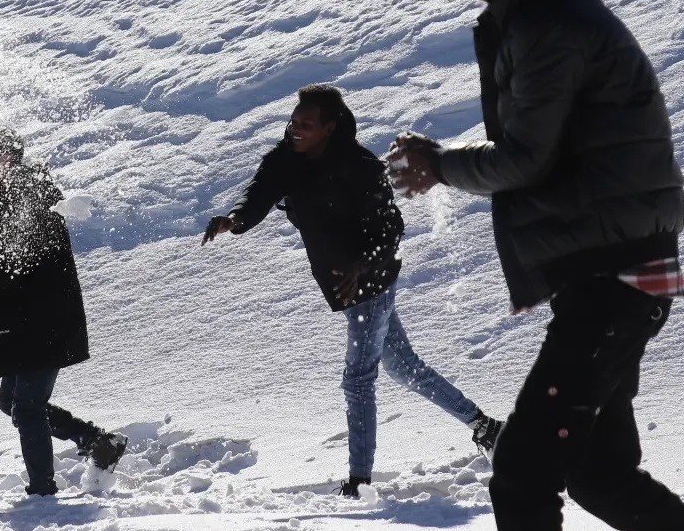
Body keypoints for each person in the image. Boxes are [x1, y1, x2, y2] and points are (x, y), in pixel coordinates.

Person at [388, 0, 684, 531]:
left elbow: (523, 159)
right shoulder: (557, 19)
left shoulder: (551, 28)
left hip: (614, 279)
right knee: (600, 472)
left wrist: (439, 164)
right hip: (616, 276)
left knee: (520, 470)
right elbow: (538, 151)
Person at [203, 84, 501, 498]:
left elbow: (390, 228)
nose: (295, 128)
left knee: (358, 380)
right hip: (342, 284)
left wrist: (362, 265)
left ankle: (359, 482)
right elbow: (259, 193)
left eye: (307, 123)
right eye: (294, 120)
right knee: (404, 368)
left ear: (330, 127)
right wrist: (233, 219)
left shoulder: (359, 167)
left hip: (371, 282)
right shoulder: (285, 160)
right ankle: (486, 428)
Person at [0, 126, 126, 496]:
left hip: (43, 320)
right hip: (30, 318)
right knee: (13, 402)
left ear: (4, 158)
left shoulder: (25, 193)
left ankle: (42, 490)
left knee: (25, 406)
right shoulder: (11, 193)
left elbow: (11, 265)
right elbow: (16, 269)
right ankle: (97, 441)